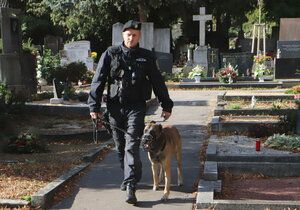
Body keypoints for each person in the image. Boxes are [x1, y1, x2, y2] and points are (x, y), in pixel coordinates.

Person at [88, 20, 173, 205]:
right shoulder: (110, 54)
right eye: (128, 34)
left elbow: (158, 81)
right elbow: (98, 80)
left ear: (139, 37)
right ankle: (130, 175)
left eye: (134, 34)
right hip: (114, 107)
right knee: (120, 147)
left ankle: (130, 186)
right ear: (123, 35)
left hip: (136, 107)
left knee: (132, 144)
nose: (131, 37)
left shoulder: (146, 56)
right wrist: (94, 107)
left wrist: (166, 105)